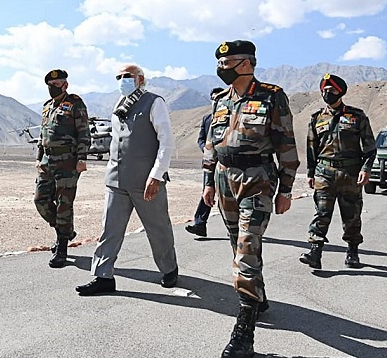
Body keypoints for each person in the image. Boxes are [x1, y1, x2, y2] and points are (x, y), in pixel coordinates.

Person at [202, 40, 300, 358]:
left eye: (227, 62)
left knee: (245, 251)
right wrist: (208, 183)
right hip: (225, 179)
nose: (221, 68)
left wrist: (285, 189)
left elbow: (286, 145)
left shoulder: (272, 96)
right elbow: (211, 145)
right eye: (220, 63)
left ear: (246, 63)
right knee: (239, 246)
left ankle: (244, 334)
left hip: (257, 180)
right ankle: (259, 296)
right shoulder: (220, 99)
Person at [75, 64, 179, 296]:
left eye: (128, 76)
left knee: (158, 228)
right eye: (119, 77)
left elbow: (166, 142)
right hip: (116, 179)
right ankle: (103, 276)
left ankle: (169, 268)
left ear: (140, 79)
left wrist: (156, 176)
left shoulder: (154, 102)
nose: (123, 80)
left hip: (146, 181)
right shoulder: (118, 105)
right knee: (109, 229)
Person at [299, 73, 376, 270]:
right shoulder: (316, 118)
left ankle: (352, 251)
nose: (327, 94)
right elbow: (311, 149)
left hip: (350, 174)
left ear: (340, 92)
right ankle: (315, 252)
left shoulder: (357, 116)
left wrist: (366, 169)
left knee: (351, 215)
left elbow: (369, 147)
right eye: (324, 91)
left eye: (331, 91)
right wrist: (310, 173)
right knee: (321, 213)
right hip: (324, 172)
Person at [34, 69, 91, 268]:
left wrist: (82, 158)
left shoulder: (75, 103)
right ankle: (65, 230)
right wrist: (39, 158)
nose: (54, 87)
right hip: (47, 162)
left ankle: (62, 247)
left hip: (67, 161)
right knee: (40, 200)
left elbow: (84, 132)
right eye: (51, 84)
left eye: (58, 84)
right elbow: (43, 135)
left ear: (65, 84)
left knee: (63, 204)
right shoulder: (46, 107)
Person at [185, 86, 224, 237]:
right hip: (210, 164)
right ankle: (200, 224)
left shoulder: (232, 115)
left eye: (218, 98)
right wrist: (206, 150)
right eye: (213, 98)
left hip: (226, 163)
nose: (215, 100)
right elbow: (201, 139)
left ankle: (238, 226)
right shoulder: (207, 119)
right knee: (207, 193)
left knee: (228, 196)